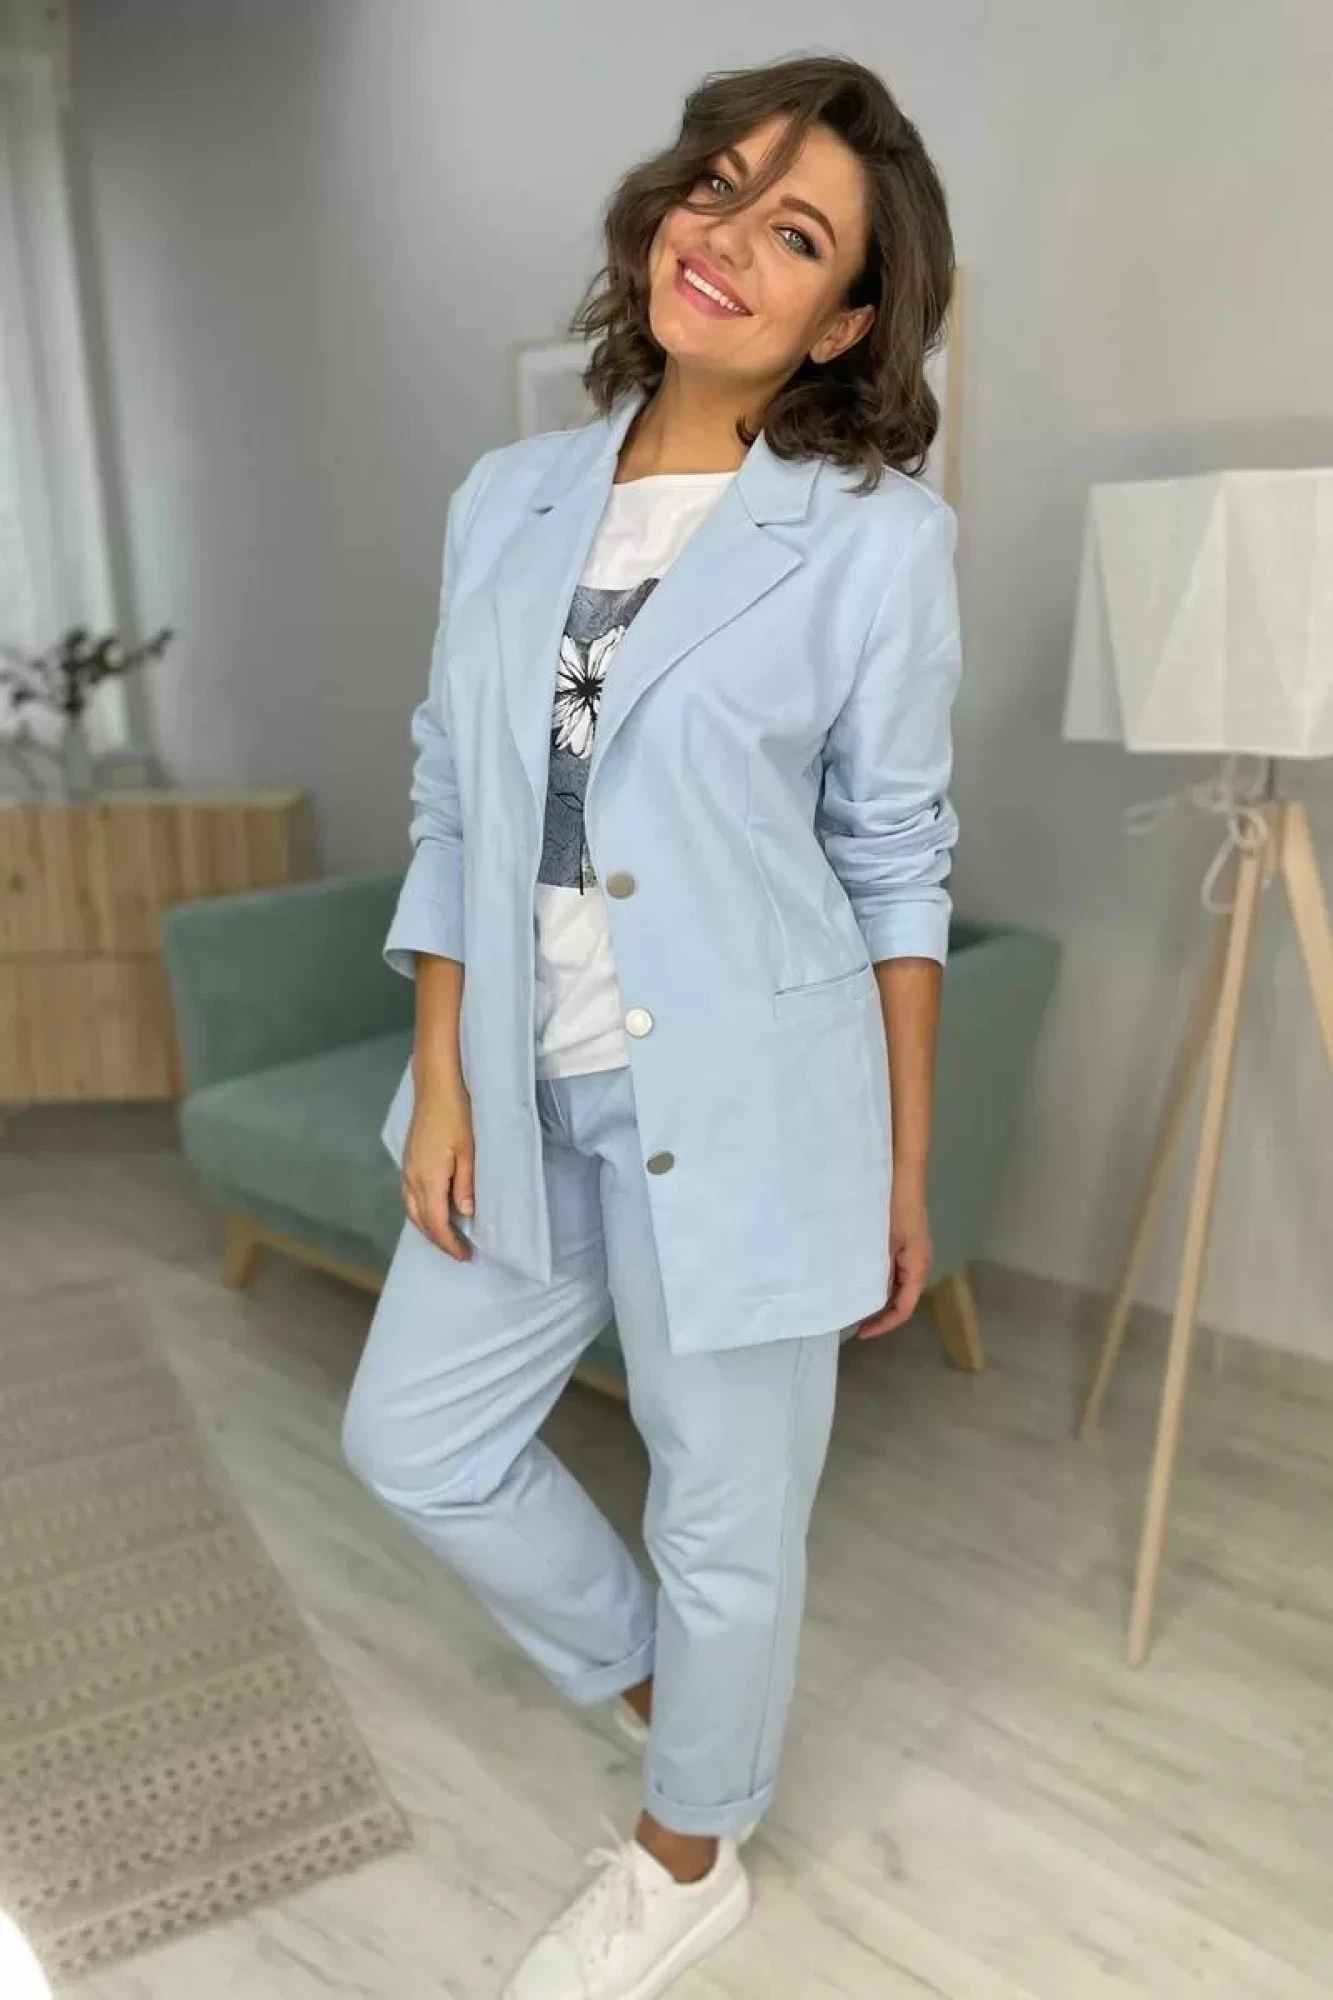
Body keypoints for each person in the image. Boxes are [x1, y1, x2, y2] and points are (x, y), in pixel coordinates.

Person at [343, 50, 961, 2000]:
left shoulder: (873, 538)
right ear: (664, 210)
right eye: (722, 186)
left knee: (730, 1517)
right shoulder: (507, 496)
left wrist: (902, 1165)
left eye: (800, 233)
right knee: (415, 1440)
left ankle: (689, 1856)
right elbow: (457, 800)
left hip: (757, 1105)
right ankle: (667, 1690)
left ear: (842, 318)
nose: (733, 239)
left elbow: (896, 862)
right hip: (517, 1091)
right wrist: (444, 1073)